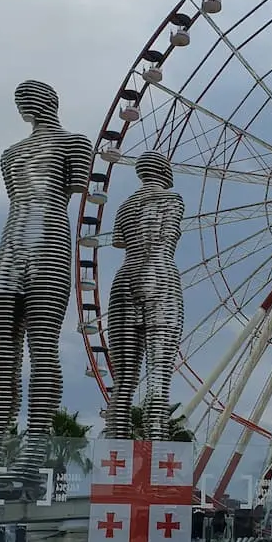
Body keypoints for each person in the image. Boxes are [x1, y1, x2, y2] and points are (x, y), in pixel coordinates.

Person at [0, 81, 93, 492]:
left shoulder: (76, 144)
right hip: (10, 242)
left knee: (43, 345)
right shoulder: (9, 154)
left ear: (49, 101)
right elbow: (17, 198)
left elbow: (72, 190)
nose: (22, 105)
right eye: (17, 100)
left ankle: (32, 457)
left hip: (49, 239)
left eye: (27, 98)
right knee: (4, 353)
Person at [104, 152, 185, 439]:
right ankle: (157, 458)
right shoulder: (172, 200)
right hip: (160, 276)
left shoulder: (125, 206)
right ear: (164, 170)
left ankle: (115, 454)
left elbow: (118, 241)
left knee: (123, 381)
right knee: (158, 377)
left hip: (124, 279)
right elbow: (168, 235)